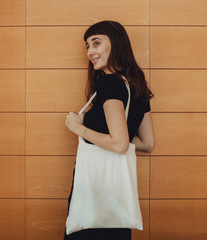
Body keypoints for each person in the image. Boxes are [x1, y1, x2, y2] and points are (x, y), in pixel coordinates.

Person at [64, 20, 155, 240]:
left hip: (94, 189)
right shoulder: (137, 85)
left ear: (116, 43)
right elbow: (147, 143)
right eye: (87, 46)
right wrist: (112, 135)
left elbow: (120, 144)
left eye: (96, 43)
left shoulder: (109, 84)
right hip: (117, 193)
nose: (90, 52)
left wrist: (80, 128)